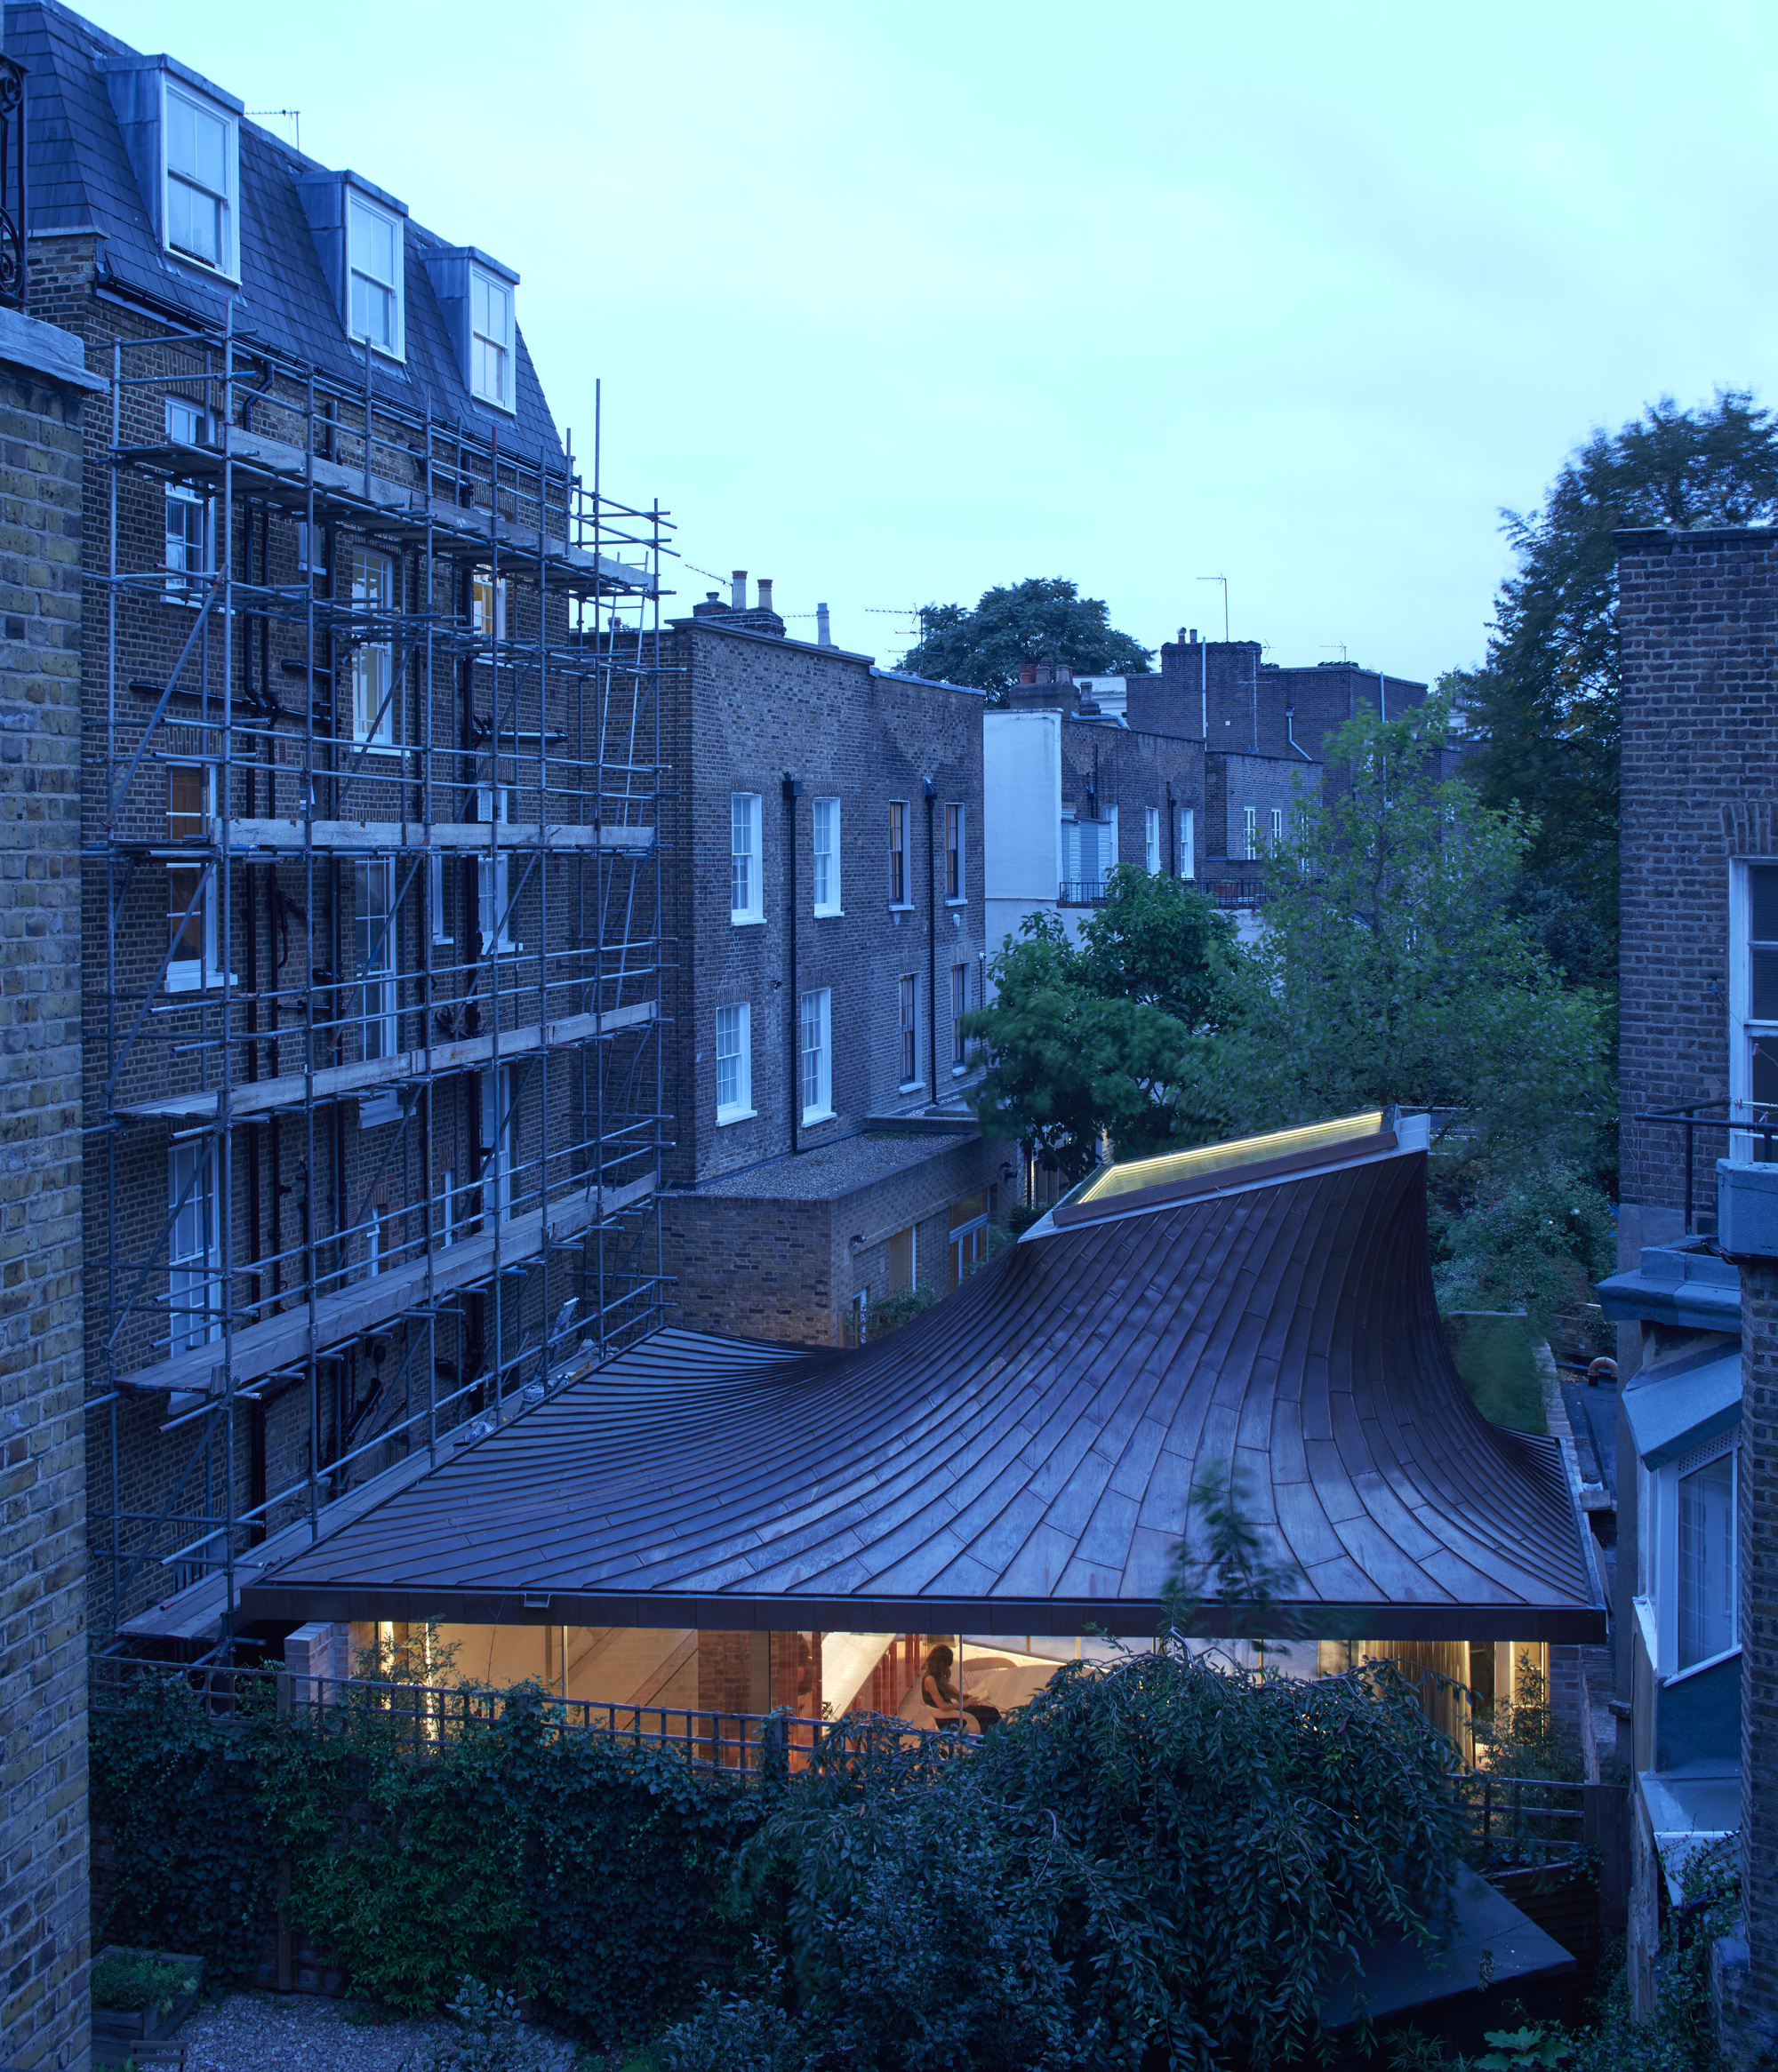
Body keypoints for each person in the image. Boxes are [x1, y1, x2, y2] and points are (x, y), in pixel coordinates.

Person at [919, 1644, 1002, 1731]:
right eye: (946, 1665)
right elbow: (943, 1706)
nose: (947, 1668)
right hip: (947, 1719)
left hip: (952, 1713)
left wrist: (961, 1695)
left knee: (993, 1712)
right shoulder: (930, 1680)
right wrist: (963, 1705)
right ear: (941, 1664)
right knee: (988, 1719)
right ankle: (991, 1739)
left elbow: (947, 1687)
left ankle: (1001, 1735)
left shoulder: (936, 1674)